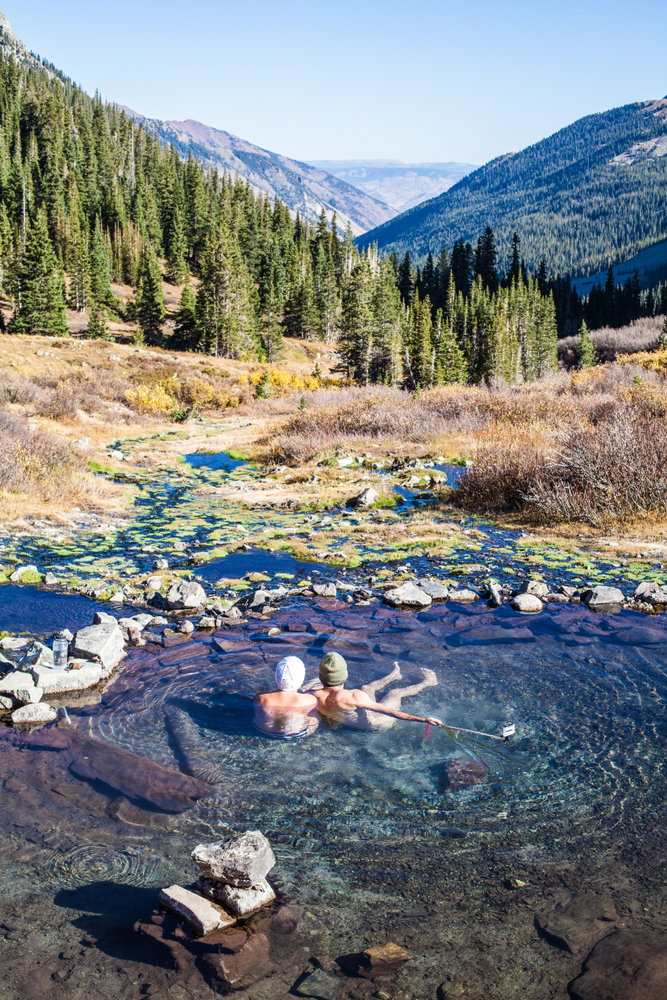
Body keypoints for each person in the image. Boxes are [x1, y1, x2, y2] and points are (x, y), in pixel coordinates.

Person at [308, 652, 445, 732]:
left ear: (321, 677)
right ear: (345, 675)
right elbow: (390, 712)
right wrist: (424, 719)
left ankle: (394, 676)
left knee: (366, 688)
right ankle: (428, 682)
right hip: (378, 723)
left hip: (353, 722)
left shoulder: (312, 695)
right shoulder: (353, 696)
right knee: (394, 693)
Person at [254, 656, 319, 738]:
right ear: (301, 678)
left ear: (276, 677)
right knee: (315, 715)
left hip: (263, 730)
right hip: (296, 734)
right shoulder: (310, 700)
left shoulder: (260, 698)